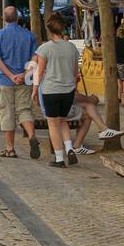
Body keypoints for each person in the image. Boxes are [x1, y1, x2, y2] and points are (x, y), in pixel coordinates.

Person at [0, 5, 40, 158]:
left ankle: (10, 149)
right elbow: (35, 57)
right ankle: (31, 135)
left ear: (3, 18)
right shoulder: (29, 35)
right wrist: (25, 74)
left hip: (5, 80)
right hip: (24, 81)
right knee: (24, 110)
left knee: (7, 113)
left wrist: (11, 76)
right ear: (17, 17)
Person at [35, 14, 81, 168]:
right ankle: (69, 148)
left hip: (51, 90)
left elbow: (40, 72)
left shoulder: (44, 48)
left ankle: (59, 158)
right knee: (63, 120)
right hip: (68, 90)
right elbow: (76, 72)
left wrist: (35, 89)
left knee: (53, 124)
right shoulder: (72, 47)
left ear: (49, 30)